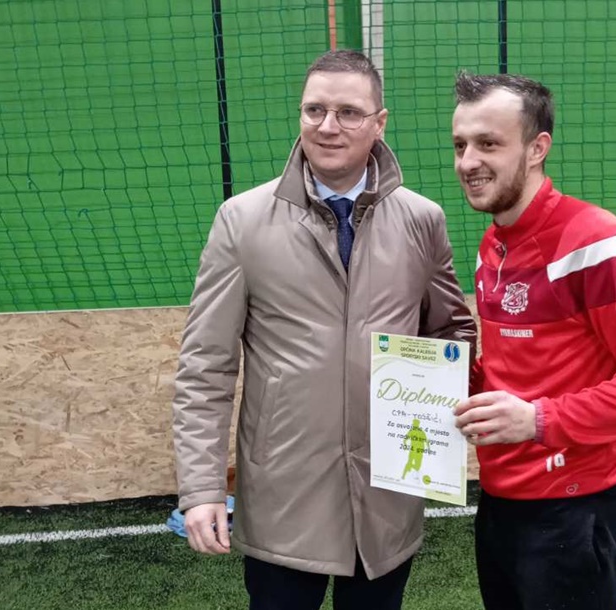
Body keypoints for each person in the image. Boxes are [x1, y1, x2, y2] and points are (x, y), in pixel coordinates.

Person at [172, 50, 476, 610]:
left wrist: (436, 407)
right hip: (284, 498)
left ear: (379, 123)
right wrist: (201, 488)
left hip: (386, 497)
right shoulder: (242, 221)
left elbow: (452, 332)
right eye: (315, 110)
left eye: (349, 112)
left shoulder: (422, 220)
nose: (328, 126)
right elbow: (205, 368)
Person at [450, 71, 616, 609]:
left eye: (488, 143)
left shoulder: (597, 242)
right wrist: (442, 377)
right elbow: (514, 369)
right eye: (460, 145)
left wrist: (538, 420)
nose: (468, 161)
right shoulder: (494, 245)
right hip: (500, 502)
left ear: (538, 148)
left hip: (574, 509)